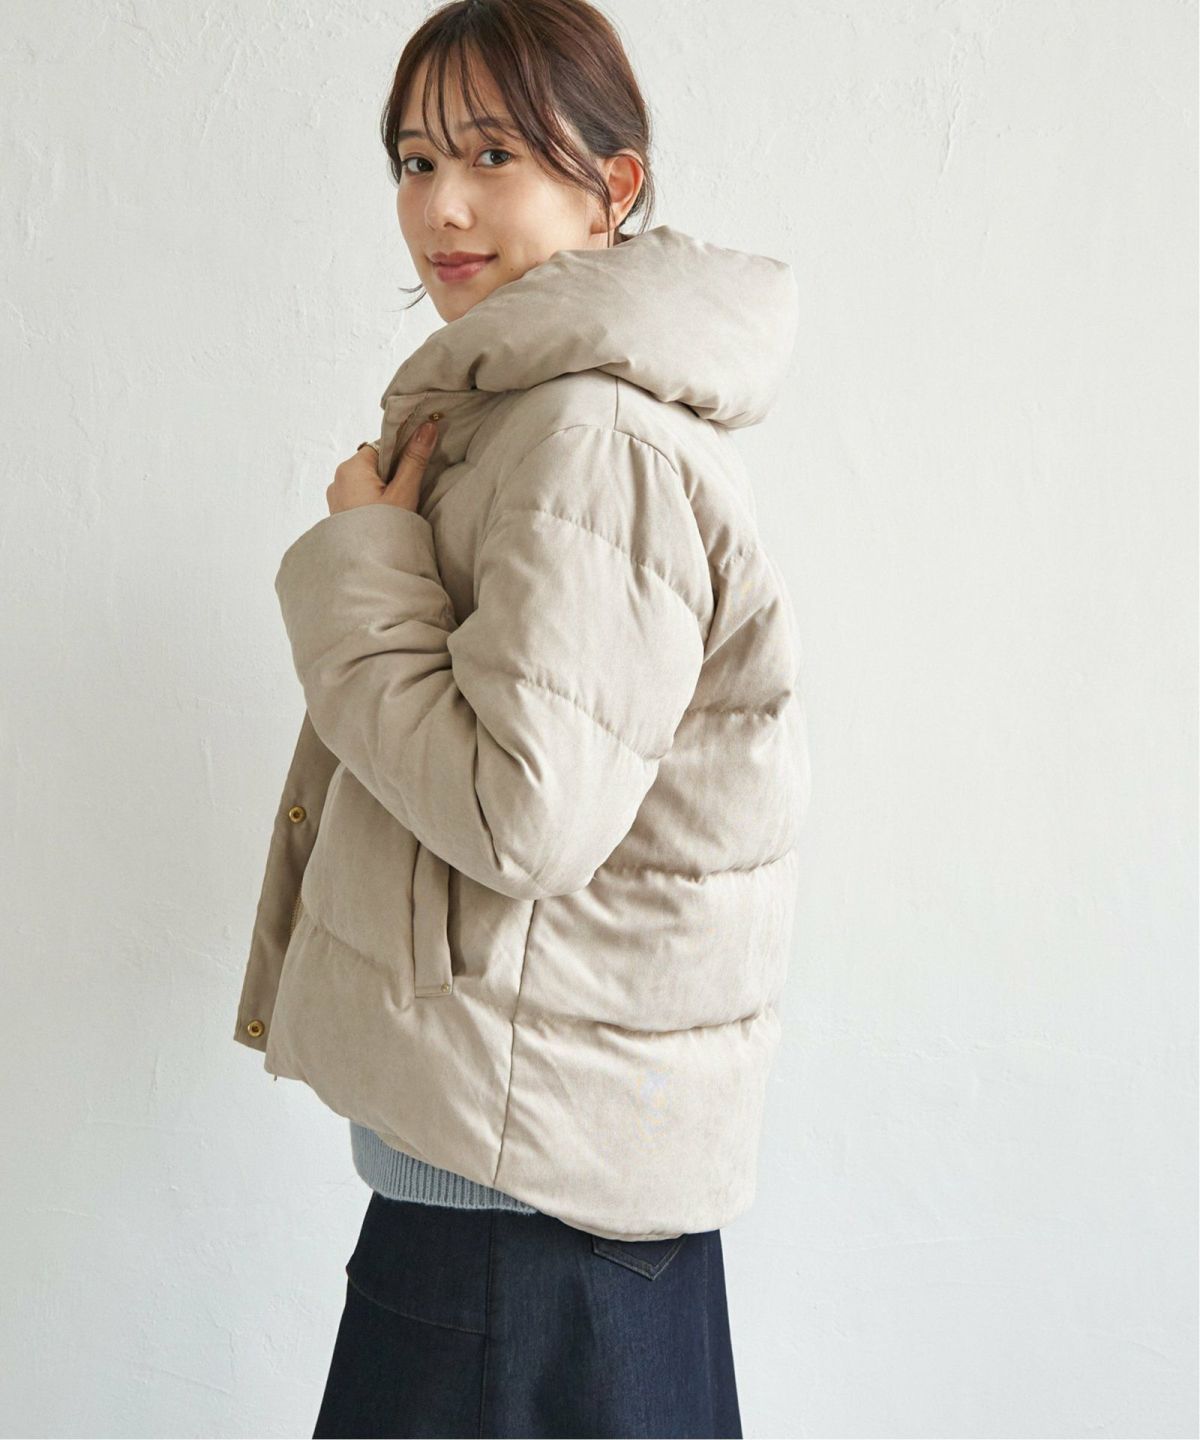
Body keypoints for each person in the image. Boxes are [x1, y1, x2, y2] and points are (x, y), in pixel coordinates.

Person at [231, 0, 811, 1434]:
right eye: (416, 160)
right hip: (534, 1192)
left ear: (612, 186)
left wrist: (365, 565)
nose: (442, 205)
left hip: (521, 1228)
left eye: (493, 153)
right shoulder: (533, 418)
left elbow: (522, 815)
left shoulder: (587, 436)